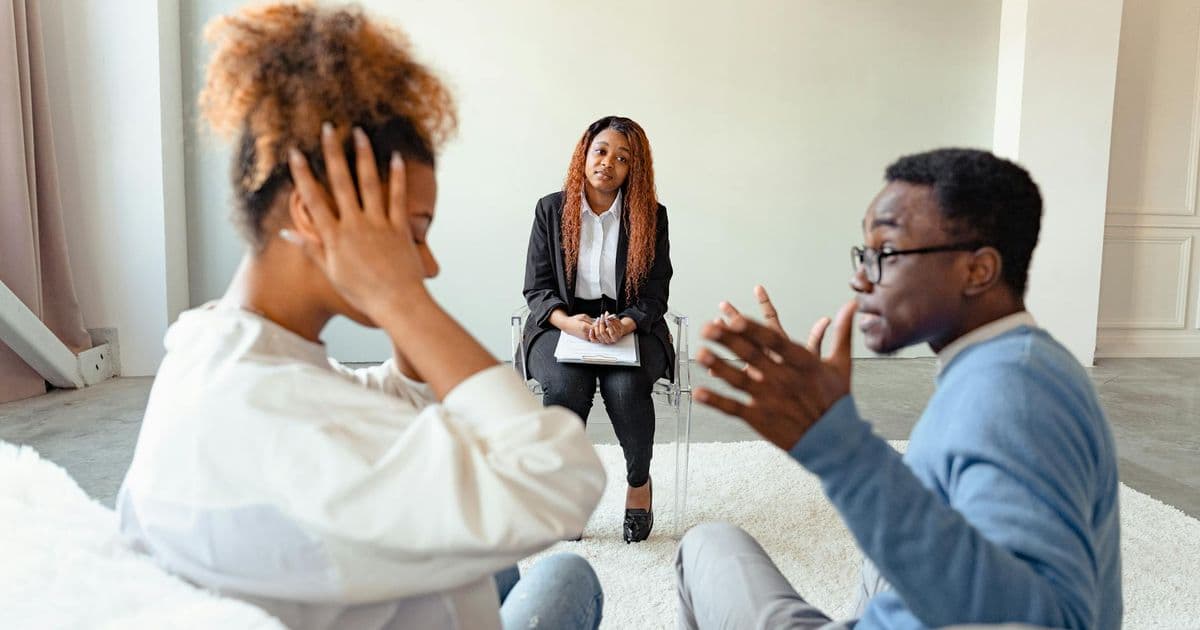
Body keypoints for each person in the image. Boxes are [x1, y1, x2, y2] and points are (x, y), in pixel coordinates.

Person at [115, 4, 606, 629]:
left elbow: (378, 406)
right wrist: (400, 298)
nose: (426, 265)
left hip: (348, 570)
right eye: (413, 234)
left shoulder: (214, 343)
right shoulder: (273, 420)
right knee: (567, 575)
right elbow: (560, 479)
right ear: (313, 214)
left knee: (504, 571)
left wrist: (397, 303)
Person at [676, 148, 1121, 629]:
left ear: (978, 270)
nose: (859, 277)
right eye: (863, 254)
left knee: (705, 544)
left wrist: (838, 444)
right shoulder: (1010, 362)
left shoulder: (1016, 393)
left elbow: (1044, 620)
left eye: (885, 253)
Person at [522, 115, 673, 543]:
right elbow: (537, 287)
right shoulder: (552, 210)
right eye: (601, 151)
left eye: (622, 158)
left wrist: (625, 322)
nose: (608, 163)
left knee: (626, 390)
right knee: (565, 387)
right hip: (561, 322)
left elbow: (656, 293)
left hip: (631, 323)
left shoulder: (652, 217)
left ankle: (638, 485)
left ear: (634, 169)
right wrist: (570, 322)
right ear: (584, 155)